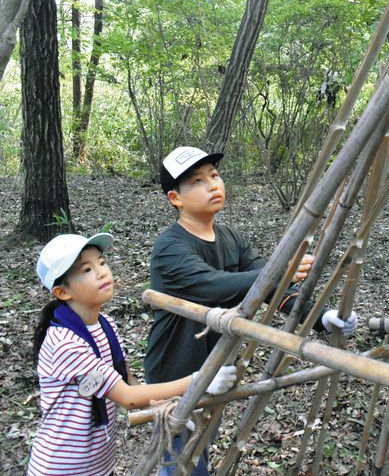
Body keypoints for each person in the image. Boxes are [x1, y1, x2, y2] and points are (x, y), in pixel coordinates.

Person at [144, 146, 358, 385]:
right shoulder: (169, 248)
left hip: (218, 366)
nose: (213, 185)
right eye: (197, 181)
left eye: (214, 175)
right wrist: (279, 272)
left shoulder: (231, 239)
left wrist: (321, 315)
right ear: (176, 198)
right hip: (174, 374)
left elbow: (269, 286)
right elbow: (213, 285)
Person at [27, 233, 237, 476]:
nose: (102, 272)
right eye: (86, 270)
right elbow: (127, 397)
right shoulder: (65, 343)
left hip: (100, 464)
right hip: (62, 467)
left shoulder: (105, 324)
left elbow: (127, 381)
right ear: (62, 292)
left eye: (102, 262)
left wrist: (170, 406)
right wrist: (200, 380)